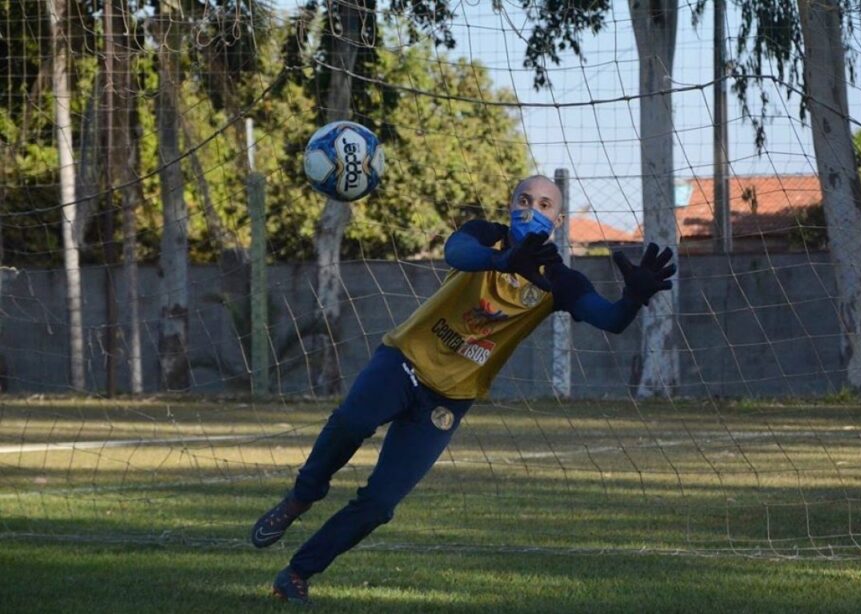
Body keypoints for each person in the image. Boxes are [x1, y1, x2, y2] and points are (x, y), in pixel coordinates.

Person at [251, 175, 676, 605]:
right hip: (404, 362)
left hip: (448, 399)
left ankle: (298, 574)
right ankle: (300, 498)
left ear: (559, 220)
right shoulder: (485, 238)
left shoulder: (562, 282)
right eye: (524, 199)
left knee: (379, 505)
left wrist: (635, 297)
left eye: (544, 204)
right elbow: (458, 251)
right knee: (352, 421)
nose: (532, 209)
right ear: (510, 205)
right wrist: (506, 260)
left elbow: (611, 320)